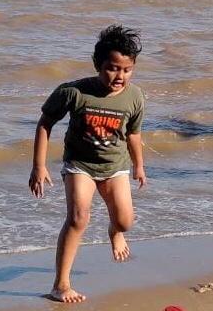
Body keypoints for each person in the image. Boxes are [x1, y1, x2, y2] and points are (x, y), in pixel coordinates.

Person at [29, 25, 147, 303]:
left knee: (125, 221)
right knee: (78, 218)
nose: (119, 76)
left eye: (127, 70)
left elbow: (133, 133)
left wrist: (140, 165)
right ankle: (61, 284)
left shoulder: (135, 97)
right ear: (98, 64)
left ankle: (114, 232)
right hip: (79, 165)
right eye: (112, 68)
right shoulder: (74, 92)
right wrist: (39, 165)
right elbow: (45, 123)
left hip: (116, 166)